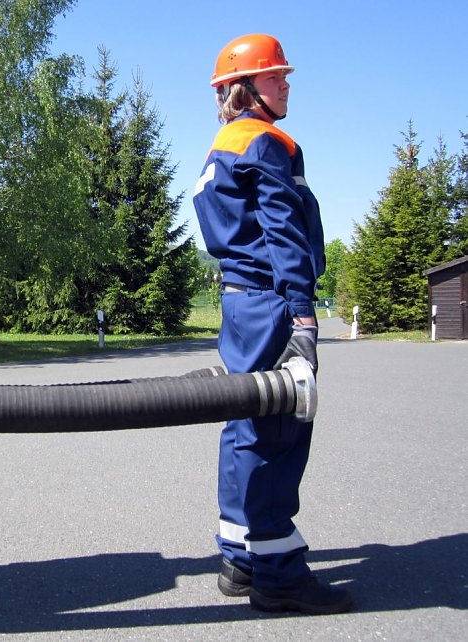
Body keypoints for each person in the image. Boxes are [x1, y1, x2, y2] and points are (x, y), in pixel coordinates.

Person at [192, 34, 353, 615]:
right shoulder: (266, 142)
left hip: (241, 302)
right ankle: (279, 574)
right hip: (273, 302)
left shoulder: (221, 147)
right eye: (274, 76)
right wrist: (304, 316)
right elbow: (284, 233)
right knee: (279, 428)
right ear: (243, 87)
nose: (286, 83)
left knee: (244, 422)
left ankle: (238, 557)